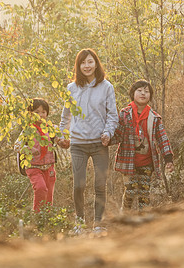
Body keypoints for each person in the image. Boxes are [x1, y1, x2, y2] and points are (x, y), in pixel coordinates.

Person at [58, 48, 118, 233]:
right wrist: (63, 136)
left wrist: (108, 132)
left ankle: (98, 223)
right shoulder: (71, 88)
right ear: (78, 65)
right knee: (79, 185)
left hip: (100, 143)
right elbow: (65, 117)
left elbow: (112, 115)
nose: (87, 66)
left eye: (90, 61)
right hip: (78, 144)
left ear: (96, 63)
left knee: (100, 184)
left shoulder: (106, 86)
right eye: (83, 62)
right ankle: (80, 222)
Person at [109, 80, 174, 211]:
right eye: (139, 91)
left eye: (146, 91)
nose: (143, 93)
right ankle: (125, 215)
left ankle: (144, 222)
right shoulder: (125, 114)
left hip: (147, 163)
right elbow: (119, 134)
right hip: (128, 161)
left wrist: (168, 158)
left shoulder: (154, 117)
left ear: (150, 96)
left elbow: (162, 138)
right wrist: (105, 140)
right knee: (131, 190)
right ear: (133, 94)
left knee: (144, 194)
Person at [14, 98, 57, 213]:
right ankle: (37, 216)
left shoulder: (51, 128)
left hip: (49, 167)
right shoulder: (28, 130)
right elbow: (17, 146)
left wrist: (64, 142)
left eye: (43, 112)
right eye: (36, 112)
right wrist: (28, 149)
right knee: (40, 188)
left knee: (48, 195)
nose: (40, 115)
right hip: (33, 167)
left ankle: (47, 218)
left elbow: (59, 140)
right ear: (30, 114)